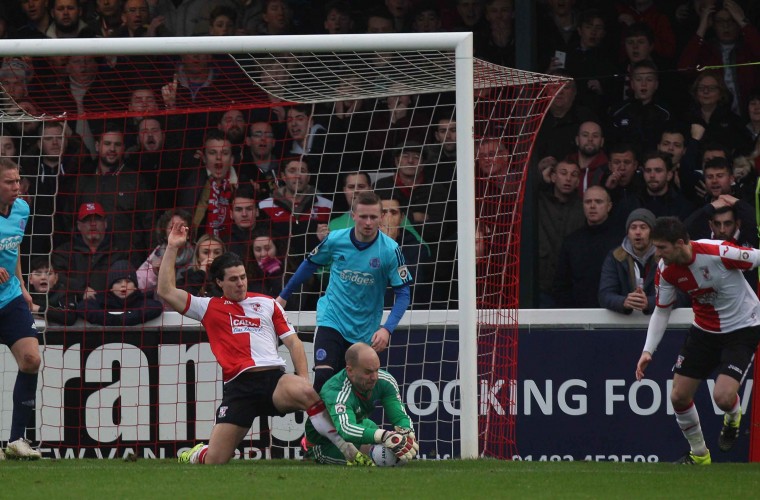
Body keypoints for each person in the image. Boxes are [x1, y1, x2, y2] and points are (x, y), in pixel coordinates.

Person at [158, 221, 367, 466]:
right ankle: (198, 453)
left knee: (307, 391)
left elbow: (294, 343)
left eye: (243, 277)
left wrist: (301, 378)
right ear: (219, 283)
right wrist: (173, 247)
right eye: (233, 279)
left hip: (273, 381)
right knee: (215, 461)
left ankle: (349, 452)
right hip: (239, 388)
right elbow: (165, 291)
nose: (240, 283)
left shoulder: (268, 303)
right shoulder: (208, 307)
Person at [635, 216, 760, 465]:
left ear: (680, 243)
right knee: (678, 396)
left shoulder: (719, 252)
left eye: (662, 248)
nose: (657, 255)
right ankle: (699, 455)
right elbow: (662, 310)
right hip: (704, 331)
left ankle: (733, 416)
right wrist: (648, 350)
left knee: (723, 397)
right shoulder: (666, 270)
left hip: (743, 328)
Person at [276, 191, 412, 392]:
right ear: (353, 215)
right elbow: (309, 265)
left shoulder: (390, 250)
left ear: (381, 218)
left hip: (364, 330)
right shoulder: (335, 240)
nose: (368, 222)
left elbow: (403, 294)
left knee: (351, 391)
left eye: (373, 217)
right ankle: (314, 424)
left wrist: (387, 328)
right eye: (363, 216)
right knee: (323, 377)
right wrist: (283, 296)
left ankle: (342, 424)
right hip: (332, 319)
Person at [303, 343, 419, 465]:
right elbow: (346, 429)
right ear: (350, 371)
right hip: (325, 442)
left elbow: (400, 416)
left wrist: (406, 431)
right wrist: (385, 436)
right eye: (368, 372)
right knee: (370, 458)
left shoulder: (385, 381)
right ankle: (307, 446)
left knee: (378, 437)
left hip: (357, 425)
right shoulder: (335, 391)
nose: (374, 377)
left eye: (377, 370)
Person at [0, 158, 41, 459]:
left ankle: (17, 440)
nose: (17, 187)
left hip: (11, 297)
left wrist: (23, 287)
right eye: (9, 182)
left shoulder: (22, 210)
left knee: (30, 359)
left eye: (17, 181)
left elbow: (13, 249)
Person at [598, 208, 658, 315]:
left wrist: (650, 302)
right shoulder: (615, 257)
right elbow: (605, 294)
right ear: (628, 233)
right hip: (624, 324)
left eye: (643, 227)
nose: (638, 232)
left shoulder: (665, 257)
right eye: (633, 227)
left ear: (652, 232)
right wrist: (624, 301)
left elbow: (679, 295)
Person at [76, 260, 163, 326]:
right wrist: (114, 320)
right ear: (111, 288)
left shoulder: (141, 300)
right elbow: (83, 306)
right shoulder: (101, 300)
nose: (123, 285)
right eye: (118, 282)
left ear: (135, 286)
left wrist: (125, 319)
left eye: (128, 281)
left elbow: (156, 307)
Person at [27, 256, 77, 326]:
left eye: (48, 273)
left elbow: (69, 318)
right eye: (38, 273)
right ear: (30, 279)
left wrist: (38, 309)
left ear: (56, 278)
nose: (43, 277)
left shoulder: (64, 293)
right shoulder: (22, 293)